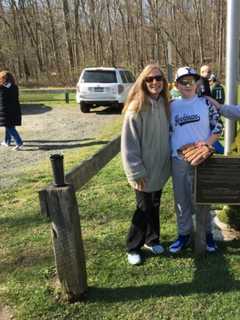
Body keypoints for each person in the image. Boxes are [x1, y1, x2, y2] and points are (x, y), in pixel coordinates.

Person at [169, 66, 223, 254]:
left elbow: (218, 127)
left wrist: (207, 145)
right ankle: (184, 234)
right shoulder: (171, 106)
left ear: (197, 83)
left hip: (202, 159)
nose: (187, 84)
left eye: (191, 81)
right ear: (176, 84)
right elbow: (166, 131)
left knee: (202, 199)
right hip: (179, 159)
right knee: (181, 199)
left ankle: (207, 234)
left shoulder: (205, 103)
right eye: (183, 81)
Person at [121, 64, 170, 265]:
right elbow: (128, 144)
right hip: (142, 170)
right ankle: (133, 246)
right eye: (149, 79)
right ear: (142, 82)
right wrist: (135, 171)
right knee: (143, 207)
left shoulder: (165, 104)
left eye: (158, 78)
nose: (154, 82)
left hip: (159, 167)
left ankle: (152, 238)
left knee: (154, 204)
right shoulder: (136, 109)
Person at [0, 70, 23, 150]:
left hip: (6, 111)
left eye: (1, 78)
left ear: (4, 79)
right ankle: (7, 141)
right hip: (14, 110)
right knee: (9, 126)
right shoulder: (14, 87)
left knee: (10, 127)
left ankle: (19, 143)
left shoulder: (2, 87)